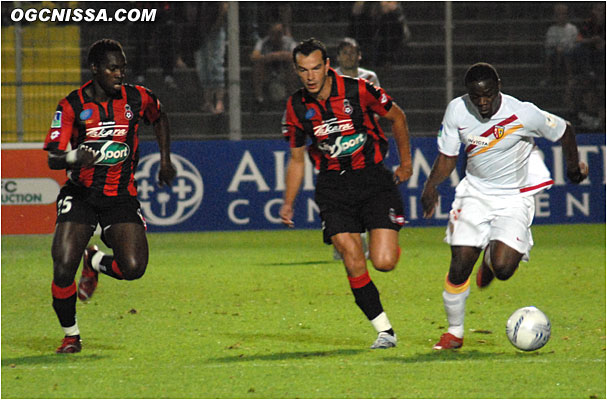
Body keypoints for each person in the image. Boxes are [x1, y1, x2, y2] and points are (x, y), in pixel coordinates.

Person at [420, 62, 589, 350]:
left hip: (514, 197)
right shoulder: (457, 111)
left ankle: (489, 261)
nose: (483, 102)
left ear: (498, 87)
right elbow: (448, 156)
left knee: (503, 268)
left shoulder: (523, 113)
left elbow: (565, 131)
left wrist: (574, 170)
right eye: (476, 97)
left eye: (488, 95)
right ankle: (454, 333)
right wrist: (431, 185)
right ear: (468, 94)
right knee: (460, 264)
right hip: (474, 193)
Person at [43, 39, 176, 354]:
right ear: (94, 69)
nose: (119, 74)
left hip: (120, 196)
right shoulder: (72, 105)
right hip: (81, 195)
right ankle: (71, 335)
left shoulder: (136, 98)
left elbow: (160, 117)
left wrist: (165, 160)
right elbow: (54, 158)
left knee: (134, 268)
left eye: (122, 68)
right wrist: (76, 158)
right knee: (63, 264)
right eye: (112, 68)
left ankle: (96, 260)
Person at [280, 38, 413, 349]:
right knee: (352, 257)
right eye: (303, 70)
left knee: (383, 262)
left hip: (373, 180)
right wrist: (288, 203)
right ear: (297, 71)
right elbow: (297, 159)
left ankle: (386, 243)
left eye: (315, 68)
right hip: (333, 186)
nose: (310, 76)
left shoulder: (358, 89)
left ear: (327, 66)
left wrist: (406, 164)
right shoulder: (297, 106)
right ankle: (385, 331)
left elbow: (398, 117)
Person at [333, 37, 380, 260]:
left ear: (359, 55)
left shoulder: (369, 78)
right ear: (338, 56)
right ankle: (343, 245)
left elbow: (379, 108)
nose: (349, 56)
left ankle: (367, 245)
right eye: (345, 52)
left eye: (353, 52)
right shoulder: (329, 77)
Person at [250, 22, 298, 108]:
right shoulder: (262, 43)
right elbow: (254, 57)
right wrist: (269, 57)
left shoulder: (290, 42)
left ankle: (292, 96)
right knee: (257, 66)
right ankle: (259, 99)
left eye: (279, 33)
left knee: (293, 65)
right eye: (273, 33)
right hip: (268, 72)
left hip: (284, 71)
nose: (276, 36)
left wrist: (279, 55)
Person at [194, 2, 228, 114]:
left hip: (214, 28)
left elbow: (223, 6)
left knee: (216, 64)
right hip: (200, 29)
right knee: (202, 66)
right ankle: (208, 101)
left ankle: (219, 101)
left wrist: (217, 23)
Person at [542, 4, 578, 86]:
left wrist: (563, 47)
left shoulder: (572, 28)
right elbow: (549, 42)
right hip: (555, 50)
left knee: (567, 53)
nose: (561, 16)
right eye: (558, 14)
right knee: (548, 54)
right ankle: (548, 77)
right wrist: (557, 47)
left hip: (568, 50)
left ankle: (570, 77)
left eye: (563, 14)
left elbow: (573, 41)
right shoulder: (552, 29)